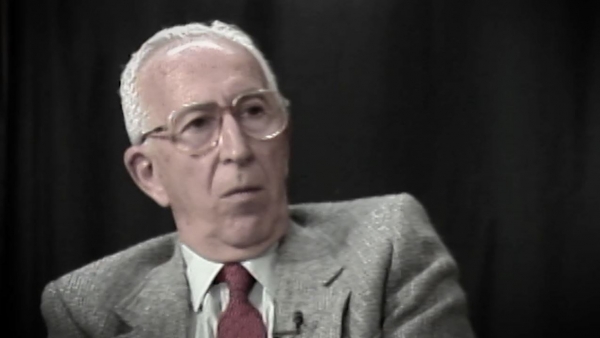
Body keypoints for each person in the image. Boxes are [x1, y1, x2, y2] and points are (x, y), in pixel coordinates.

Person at [41, 20, 475, 338]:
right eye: (197, 124)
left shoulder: (387, 244)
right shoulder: (85, 306)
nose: (238, 149)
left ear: (285, 133)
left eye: (253, 111)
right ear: (149, 174)